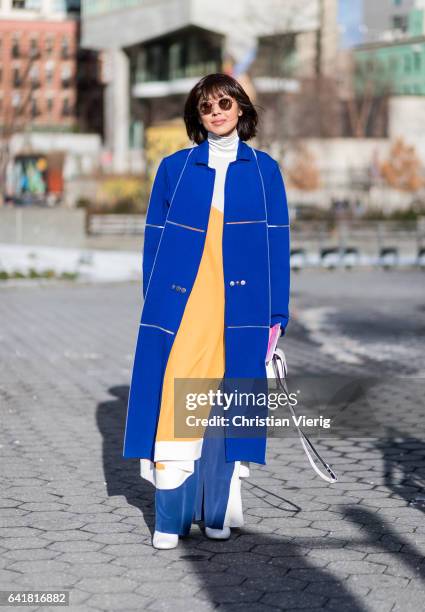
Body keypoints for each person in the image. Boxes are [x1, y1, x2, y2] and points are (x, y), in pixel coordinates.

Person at [122, 73, 291, 549]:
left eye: (224, 103)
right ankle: (170, 519)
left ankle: (216, 512)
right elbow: (153, 242)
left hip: (242, 309)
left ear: (241, 109)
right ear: (197, 117)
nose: (216, 112)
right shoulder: (174, 169)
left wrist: (277, 315)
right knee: (179, 397)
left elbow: (278, 245)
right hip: (186, 305)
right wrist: (155, 306)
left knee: (228, 408)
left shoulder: (265, 170)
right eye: (206, 107)